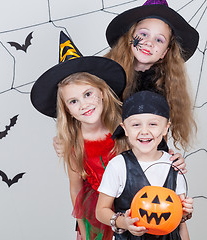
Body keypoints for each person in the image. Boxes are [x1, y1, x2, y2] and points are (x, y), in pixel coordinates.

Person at [31, 31, 126, 240]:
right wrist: (83, 229)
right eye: (73, 101)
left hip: (131, 206)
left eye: (88, 94)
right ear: (66, 110)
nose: (84, 105)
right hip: (96, 218)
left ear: (101, 91)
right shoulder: (74, 145)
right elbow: (76, 189)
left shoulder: (125, 129)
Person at [96, 91, 193, 239]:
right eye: (136, 125)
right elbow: (101, 211)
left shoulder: (174, 165)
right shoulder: (118, 165)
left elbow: (180, 223)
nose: (144, 131)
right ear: (125, 128)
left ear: (166, 127)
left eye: (153, 124)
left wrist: (184, 214)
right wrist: (124, 222)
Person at [104, 0, 199, 151]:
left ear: (165, 53)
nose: (149, 43)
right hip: (105, 156)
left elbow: (159, 140)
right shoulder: (105, 73)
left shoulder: (165, 86)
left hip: (140, 162)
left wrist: (167, 158)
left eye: (159, 39)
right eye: (143, 34)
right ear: (130, 37)